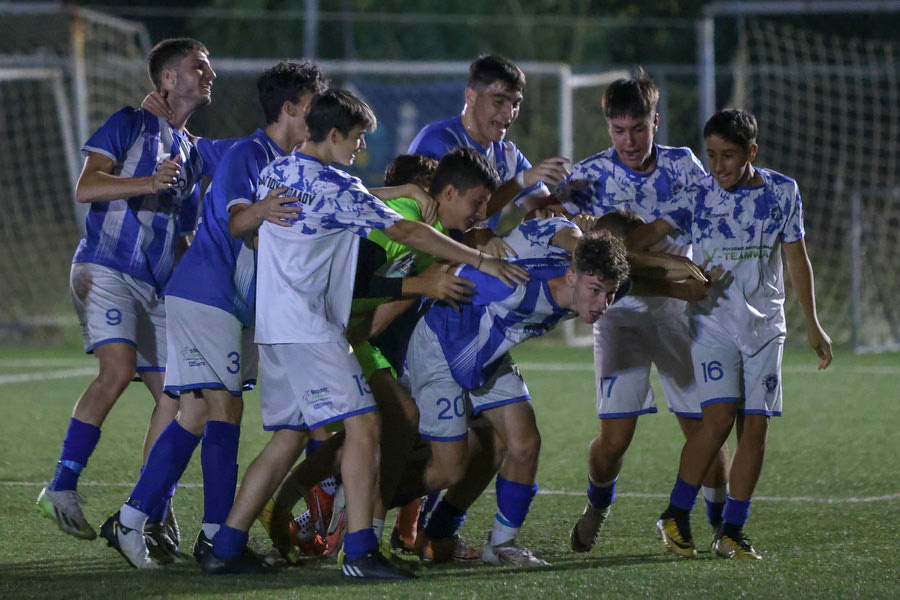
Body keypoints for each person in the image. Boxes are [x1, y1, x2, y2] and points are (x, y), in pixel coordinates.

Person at [200, 89, 528, 579]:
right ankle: (359, 551)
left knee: (289, 438)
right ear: (333, 134)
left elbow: (336, 199)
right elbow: (410, 233)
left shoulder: (280, 171)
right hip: (311, 327)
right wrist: (478, 258)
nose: (360, 151)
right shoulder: (337, 185)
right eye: (355, 140)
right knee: (368, 427)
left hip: (274, 328)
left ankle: (225, 545)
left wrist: (399, 192)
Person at [97, 60, 327, 569]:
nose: (321, 116)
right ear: (290, 109)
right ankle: (220, 540)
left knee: (197, 413)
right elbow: (234, 218)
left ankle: (135, 521)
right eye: (314, 106)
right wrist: (264, 211)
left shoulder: (281, 159)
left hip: (233, 303)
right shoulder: (251, 153)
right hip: (207, 295)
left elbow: (195, 149)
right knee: (225, 411)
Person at [631, 108, 833, 560]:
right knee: (718, 420)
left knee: (754, 428)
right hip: (712, 324)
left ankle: (731, 531)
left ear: (751, 153)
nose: (718, 165)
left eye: (728, 156)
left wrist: (814, 324)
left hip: (765, 329)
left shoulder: (783, 192)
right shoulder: (697, 194)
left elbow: (797, 258)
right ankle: (675, 513)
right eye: (712, 155)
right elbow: (640, 242)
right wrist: (669, 273)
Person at [37, 38, 216, 542]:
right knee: (115, 372)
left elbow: (181, 235)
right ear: (166, 80)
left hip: (155, 287)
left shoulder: (191, 153)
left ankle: (149, 505)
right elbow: (87, 187)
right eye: (198, 67)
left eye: (209, 68)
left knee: (178, 399)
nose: (209, 75)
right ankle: (61, 486)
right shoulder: (129, 123)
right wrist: (145, 183)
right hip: (106, 266)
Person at [556, 68, 731, 554]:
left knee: (705, 428)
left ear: (656, 121)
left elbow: (713, 221)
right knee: (614, 440)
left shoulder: (687, 167)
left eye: (639, 128)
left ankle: (722, 526)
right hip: (621, 314)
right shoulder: (587, 179)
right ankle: (597, 505)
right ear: (608, 126)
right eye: (619, 130)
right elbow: (590, 252)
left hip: (684, 316)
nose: (629, 141)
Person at [407, 229, 630, 567]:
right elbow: (448, 274)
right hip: (441, 346)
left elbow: (554, 226)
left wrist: (578, 237)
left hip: (488, 356)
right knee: (447, 469)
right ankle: (368, 509)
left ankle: (499, 545)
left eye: (609, 294)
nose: (603, 303)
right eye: (596, 291)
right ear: (572, 277)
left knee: (522, 444)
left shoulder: (582, 285)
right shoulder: (514, 287)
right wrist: (479, 246)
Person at [407, 54, 570, 234]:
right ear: (471, 97)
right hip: (432, 259)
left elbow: (550, 209)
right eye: (499, 101)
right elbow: (443, 222)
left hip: (477, 259)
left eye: (515, 104)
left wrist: (582, 218)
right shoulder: (437, 142)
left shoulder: (507, 154)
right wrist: (520, 181)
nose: (509, 114)